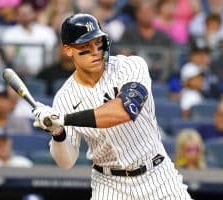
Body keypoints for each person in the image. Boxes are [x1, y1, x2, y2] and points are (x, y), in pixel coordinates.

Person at [32, 13, 192, 199]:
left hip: (157, 175)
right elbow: (66, 162)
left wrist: (65, 119)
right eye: (85, 45)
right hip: (109, 184)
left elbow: (123, 111)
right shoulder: (65, 97)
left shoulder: (131, 66)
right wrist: (58, 132)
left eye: (97, 42)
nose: (95, 51)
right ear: (68, 50)